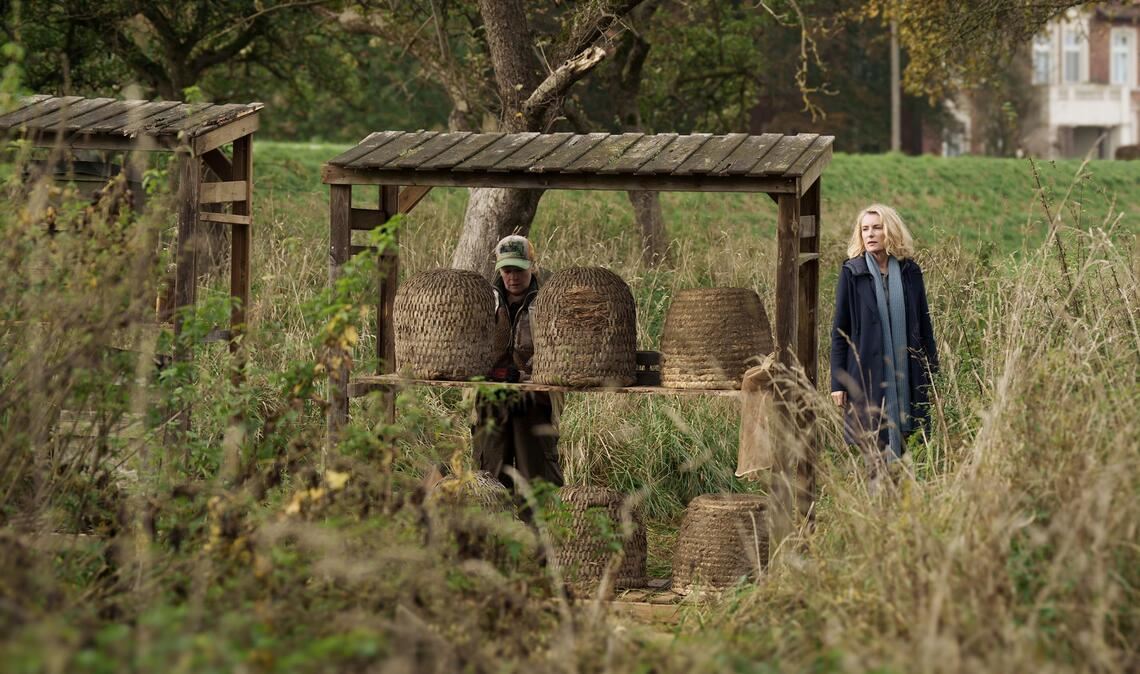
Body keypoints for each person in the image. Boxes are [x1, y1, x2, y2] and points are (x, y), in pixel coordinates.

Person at [829, 204, 938, 465]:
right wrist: (838, 383)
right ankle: (878, 503)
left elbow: (924, 326)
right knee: (873, 451)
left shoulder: (910, 272)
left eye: (877, 228)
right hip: (865, 374)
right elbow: (840, 332)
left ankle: (905, 499)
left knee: (912, 449)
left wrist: (933, 375)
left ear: (890, 231)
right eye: (865, 229)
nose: (870, 234)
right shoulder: (853, 273)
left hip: (908, 373)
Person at [472, 234, 564, 495]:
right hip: (491, 396)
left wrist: (527, 374)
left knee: (536, 476)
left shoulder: (549, 299)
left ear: (532, 267)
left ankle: (538, 533)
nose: (512, 277)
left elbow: (560, 348)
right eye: (507, 270)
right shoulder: (483, 299)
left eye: (519, 270)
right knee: (489, 471)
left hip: (536, 398)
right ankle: (496, 531)